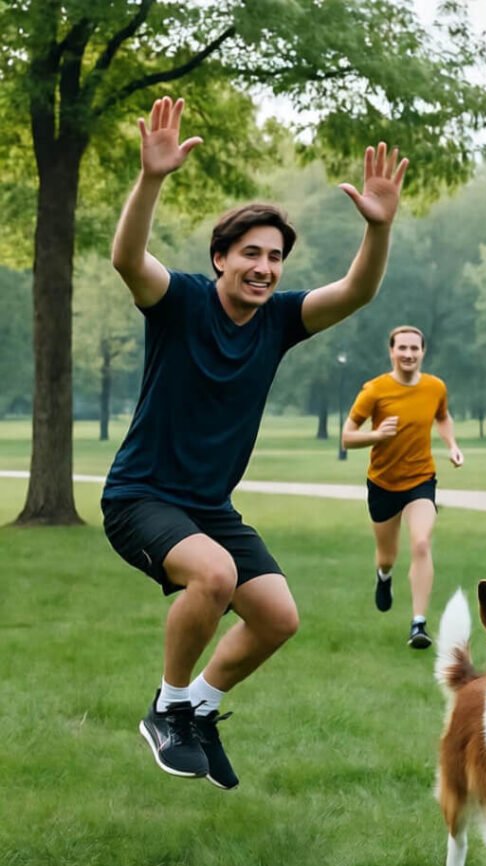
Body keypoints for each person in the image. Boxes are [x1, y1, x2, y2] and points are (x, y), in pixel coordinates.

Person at [101, 96, 408, 788]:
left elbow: (356, 292)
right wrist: (151, 179)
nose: (265, 267)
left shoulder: (279, 322)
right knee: (214, 577)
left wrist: (379, 229)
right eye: (250, 254)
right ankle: (169, 707)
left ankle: (201, 710)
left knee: (277, 617)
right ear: (220, 258)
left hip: (208, 507)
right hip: (140, 496)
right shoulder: (179, 302)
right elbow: (127, 258)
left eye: (275, 257)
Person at [341, 325, 463, 649]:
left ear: (423, 352)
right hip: (382, 483)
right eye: (402, 348)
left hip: (421, 479)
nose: (409, 354)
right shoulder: (375, 391)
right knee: (387, 555)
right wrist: (376, 435)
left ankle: (418, 624)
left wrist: (451, 444)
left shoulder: (435, 386)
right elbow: (347, 436)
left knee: (421, 543)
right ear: (391, 352)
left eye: (415, 349)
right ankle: (383, 576)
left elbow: (443, 416)